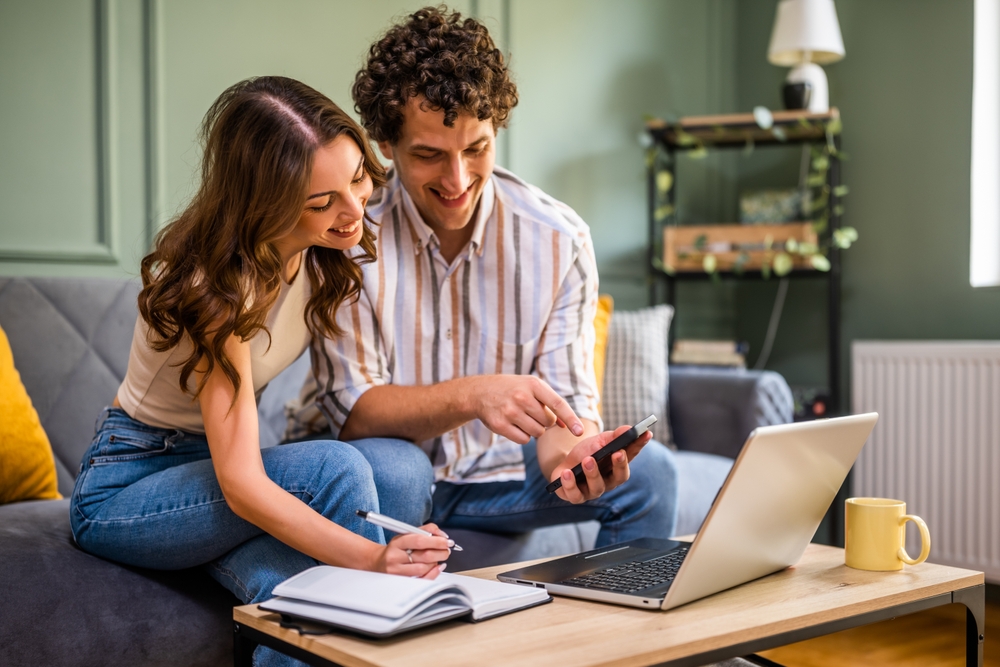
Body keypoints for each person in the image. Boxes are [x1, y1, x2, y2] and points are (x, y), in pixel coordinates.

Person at [69, 76, 451, 667]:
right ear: (263, 202)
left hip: (213, 483)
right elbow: (243, 484)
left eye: (356, 179)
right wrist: (376, 559)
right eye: (322, 201)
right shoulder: (212, 285)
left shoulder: (318, 256)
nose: (353, 212)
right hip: (131, 486)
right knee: (334, 467)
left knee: (394, 472)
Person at [288, 7, 679, 550]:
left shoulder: (558, 240)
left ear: (496, 128)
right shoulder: (349, 232)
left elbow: (562, 409)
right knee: (397, 470)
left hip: (494, 476)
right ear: (385, 145)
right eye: (428, 155)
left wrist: (577, 460)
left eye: (477, 149)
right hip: (384, 472)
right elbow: (355, 413)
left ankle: (615, 633)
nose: (457, 179)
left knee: (654, 475)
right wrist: (475, 395)